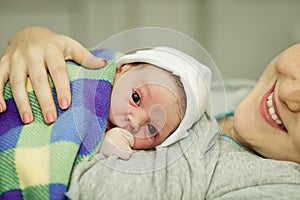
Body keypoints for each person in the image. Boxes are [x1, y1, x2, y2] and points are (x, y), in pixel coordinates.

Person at [0, 26, 212, 160]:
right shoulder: (94, 69)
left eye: (152, 129)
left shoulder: (136, 161)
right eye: (136, 98)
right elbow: (40, 44)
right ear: (123, 69)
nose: (135, 122)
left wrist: (98, 145)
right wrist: (32, 34)